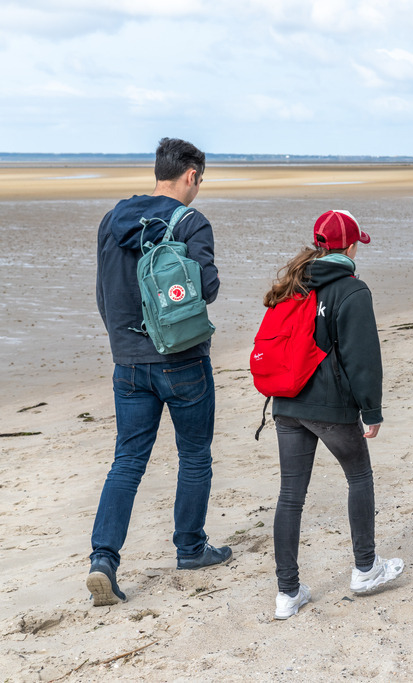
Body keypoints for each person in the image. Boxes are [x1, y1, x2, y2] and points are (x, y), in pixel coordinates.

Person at [89, 138, 230, 607]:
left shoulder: (112, 220)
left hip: (128, 363)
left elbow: (103, 293)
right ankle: (190, 549)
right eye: (201, 179)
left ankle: (103, 559)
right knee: (194, 457)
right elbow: (206, 289)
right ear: (191, 175)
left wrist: (124, 344)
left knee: (127, 461)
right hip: (183, 360)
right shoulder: (191, 222)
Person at [267, 210, 404, 620]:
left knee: (291, 496)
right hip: (329, 406)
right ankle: (365, 568)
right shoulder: (351, 289)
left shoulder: (292, 283)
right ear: (350, 245)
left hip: (287, 402)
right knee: (359, 475)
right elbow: (362, 359)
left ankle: (287, 593)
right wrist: (372, 410)